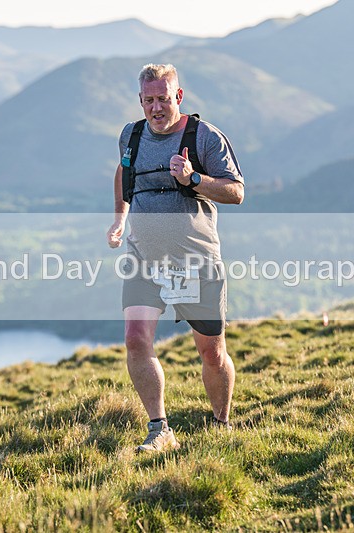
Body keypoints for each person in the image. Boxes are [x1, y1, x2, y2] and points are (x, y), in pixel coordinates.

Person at [106, 63, 245, 453]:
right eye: (148, 100)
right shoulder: (131, 135)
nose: (156, 108)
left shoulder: (203, 137)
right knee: (135, 339)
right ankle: (160, 428)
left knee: (211, 351)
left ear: (178, 97)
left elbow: (236, 191)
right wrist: (119, 220)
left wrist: (194, 179)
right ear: (140, 100)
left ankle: (221, 423)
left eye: (163, 99)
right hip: (144, 258)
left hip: (195, 261)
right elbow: (123, 173)